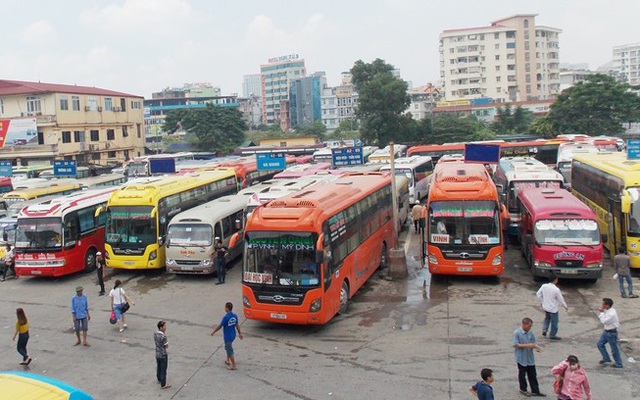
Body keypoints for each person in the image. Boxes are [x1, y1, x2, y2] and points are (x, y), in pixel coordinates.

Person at [513, 317, 546, 397]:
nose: (529, 328)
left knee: (533, 374)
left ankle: (535, 390)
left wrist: (536, 347)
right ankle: (523, 389)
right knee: (522, 374)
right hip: (521, 358)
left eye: (530, 326)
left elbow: (533, 342)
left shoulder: (530, 333)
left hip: (529, 357)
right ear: (524, 324)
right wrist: (528, 345)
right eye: (528, 326)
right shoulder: (517, 333)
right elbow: (515, 344)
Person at [211, 302, 243, 370]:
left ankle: (234, 365)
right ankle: (227, 360)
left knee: (229, 350)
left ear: (227, 308)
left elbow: (220, 326)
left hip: (227, 336)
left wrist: (214, 331)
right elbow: (237, 325)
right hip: (233, 335)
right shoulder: (234, 316)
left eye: (225, 307)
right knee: (228, 347)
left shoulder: (225, 317)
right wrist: (240, 333)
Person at [536, 274, 568, 340]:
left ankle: (544, 329)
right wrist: (565, 306)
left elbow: (538, 294)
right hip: (553, 309)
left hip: (546, 307)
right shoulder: (556, 289)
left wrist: (542, 301)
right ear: (555, 280)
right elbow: (560, 299)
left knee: (547, 318)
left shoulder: (544, 286)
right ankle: (552, 334)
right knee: (554, 322)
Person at [597, 297, 623, 368]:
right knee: (600, 344)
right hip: (606, 331)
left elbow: (603, 321)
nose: (602, 305)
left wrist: (601, 313)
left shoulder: (612, 314)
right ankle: (606, 358)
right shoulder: (608, 310)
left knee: (614, 348)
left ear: (607, 305)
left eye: (603, 304)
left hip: (611, 333)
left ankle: (619, 363)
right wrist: (603, 312)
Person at [154, 320, 171, 389]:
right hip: (163, 354)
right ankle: (163, 384)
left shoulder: (155, 334)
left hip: (157, 353)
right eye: (164, 326)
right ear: (161, 327)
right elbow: (166, 346)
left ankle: (159, 378)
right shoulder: (163, 336)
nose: (165, 328)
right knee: (164, 368)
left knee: (159, 366)